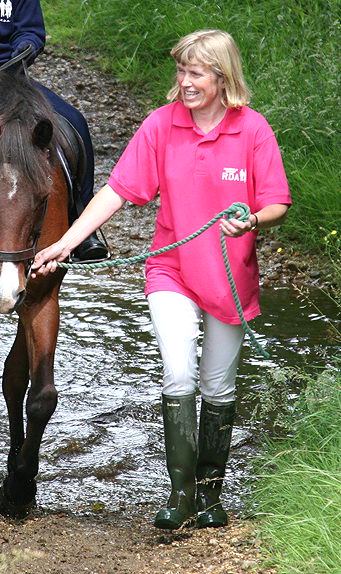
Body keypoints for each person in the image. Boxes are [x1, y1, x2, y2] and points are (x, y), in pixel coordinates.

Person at [32, 29, 291, 529]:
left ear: (222, 77)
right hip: (171, 272)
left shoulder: (253, 129)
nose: (185, 82)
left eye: (195, 73)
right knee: (179, 372)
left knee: (219, 387)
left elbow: (277, 201)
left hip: (230, 279)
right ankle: (181, 496)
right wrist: (65, 243)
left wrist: (254, 220)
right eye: (181, 72)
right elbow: (117, 191)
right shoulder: (161, 125)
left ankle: (211, 496)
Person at [0, 0, 108, 261]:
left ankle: (80, 219)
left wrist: (27, 46)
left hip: (12, 76)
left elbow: (31, 30)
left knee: (75, 120)